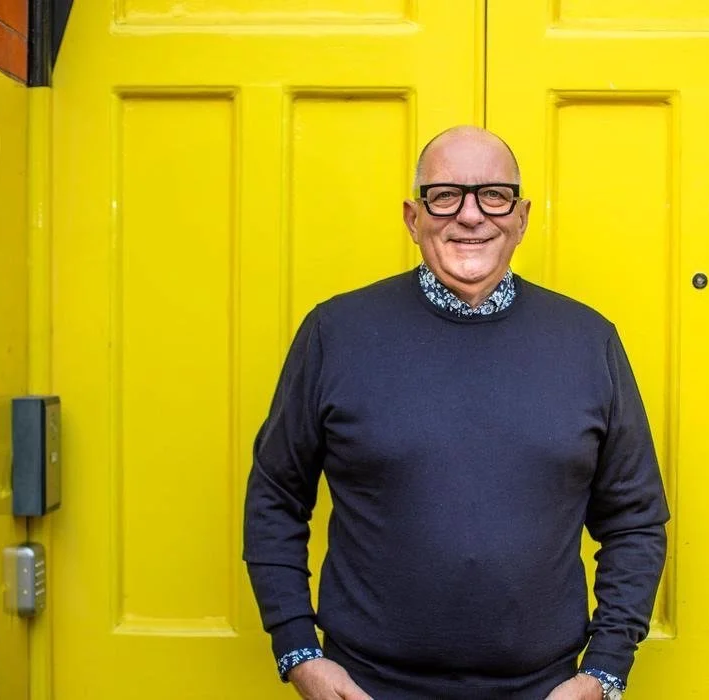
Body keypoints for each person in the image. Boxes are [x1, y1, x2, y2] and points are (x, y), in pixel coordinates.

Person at [243, 125, 669, 700]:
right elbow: (275, 496)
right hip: (365, 688)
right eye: (444, 195)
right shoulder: (336, 333)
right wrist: (298, 651)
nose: (470, 216)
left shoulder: (588, 341)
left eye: (494, 195)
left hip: (545, 690)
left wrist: (606, 671)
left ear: (521, 216)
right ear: (412, 216)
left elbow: (635, 520)